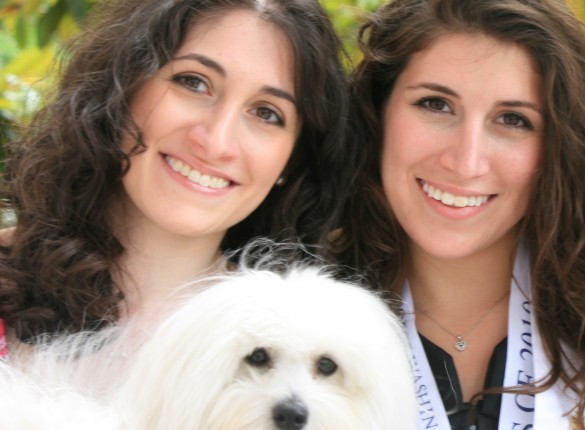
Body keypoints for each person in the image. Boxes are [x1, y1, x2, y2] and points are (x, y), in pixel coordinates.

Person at [338, 0, 585, 428]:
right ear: (377, 112)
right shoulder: (289, 314)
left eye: (513, 119)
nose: (466, 161)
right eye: (435, 104)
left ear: (562, 147)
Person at [0, 0, 352, 354]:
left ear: (293, 159)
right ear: (121, 87)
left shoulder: (302, 351)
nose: (216, 142)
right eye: (194, 83)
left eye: (267, 113)